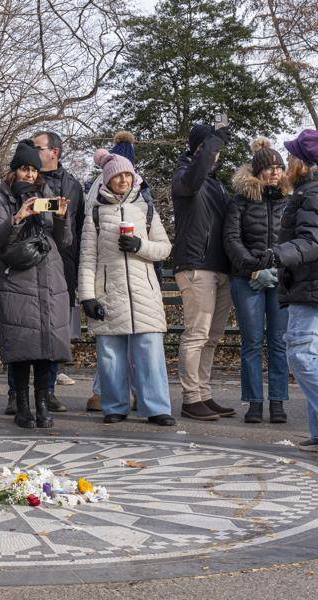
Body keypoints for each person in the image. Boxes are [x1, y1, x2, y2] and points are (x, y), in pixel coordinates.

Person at [78, 149, 175, 426]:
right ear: (107, 180)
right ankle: (115, 406)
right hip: (109, 292)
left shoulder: (146, 210)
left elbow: (165, 248)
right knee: (110, 354)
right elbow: (87, 259)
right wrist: (87, 296)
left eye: (127, 175)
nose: (122, 180)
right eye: (117, 175)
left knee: (149, 351)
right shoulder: (95, 214)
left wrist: (140, 246)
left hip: (145, 293)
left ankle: (156, 408)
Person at [0, 141, 71, 429]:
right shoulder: (0, 199)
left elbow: (64, 242)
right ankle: (22, 406)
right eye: (24, 168)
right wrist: (20, 216)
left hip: (48, 279)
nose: (30, 175)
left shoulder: (47, 194)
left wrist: (62, 217)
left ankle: (43, 404)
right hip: (17, 280)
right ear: (15, 170)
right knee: (23, 346)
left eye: (34, 170)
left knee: (47, 346)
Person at [252, 129, 318, 451]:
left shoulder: (313, 193)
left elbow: (311, 241)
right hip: (306, 282)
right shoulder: (306, 192)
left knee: (301, 354)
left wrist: (278, 255)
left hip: (311, 284)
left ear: (303, 163)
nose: (287, 160)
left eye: (291, 156)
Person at [223, 138, 291, 424]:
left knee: (278, 342)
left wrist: (279, 264)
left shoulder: (291, 201)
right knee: (252, 342)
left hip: (282, 278)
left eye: (278, 167)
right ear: (257, 172)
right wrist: (252, 267)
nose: (274, 172)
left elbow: (299, 238)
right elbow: (231, 239)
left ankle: (277, 401)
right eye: (269, 168)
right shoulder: (240, 201)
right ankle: (254, 401)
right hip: (246, 279)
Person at [84, 131, 151, 412]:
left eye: (128, 174)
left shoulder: (141, 195)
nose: (124, 179)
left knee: (134, 339)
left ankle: (128, 394)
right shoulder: (97, 198)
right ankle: (111, 394)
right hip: (109, 271)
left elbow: (156, 239)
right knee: (113, 339)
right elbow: (88, 244)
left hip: (136, 269)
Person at [172, 123, 234, 421]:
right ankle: (190, 397)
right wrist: (213, 142)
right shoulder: (185, 175)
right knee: (196, 335)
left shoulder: (217, 184)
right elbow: (194, 177)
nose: (216, 155)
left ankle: (204, 393)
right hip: (196, 265)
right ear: (199, 148)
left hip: (220, 267)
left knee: (212, 336)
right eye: (212, 149)